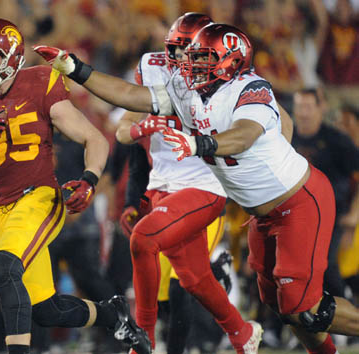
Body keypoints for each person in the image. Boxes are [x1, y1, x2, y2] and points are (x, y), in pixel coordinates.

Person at [34, 21, 359, 354]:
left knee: (301, 305)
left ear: (231, 61)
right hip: (261, 214)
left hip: (298, 202)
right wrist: (76, 69)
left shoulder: (251, 88)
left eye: (202, 58)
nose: (190, 65)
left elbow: (243, 135)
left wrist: (198, 144)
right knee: (279, 303)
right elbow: (132, 95)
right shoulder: (188, 87)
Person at [0, 18, 151, 354]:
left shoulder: (40, 81)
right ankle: (113, 314)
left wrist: (90, 178)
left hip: (39, 198)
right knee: (45, 310)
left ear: (11, 57)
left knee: (4, 269)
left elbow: (93, 138)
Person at [98, 13, 259, 353]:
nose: (182, 59)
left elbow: (252, 129)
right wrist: (143, 128)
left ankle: (143, 338)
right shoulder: (152, 66)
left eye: (192, 51)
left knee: (143, 240)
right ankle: (242, 333)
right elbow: (123, 129)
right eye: (177, 50)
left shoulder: (231, 77)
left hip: (205, 184)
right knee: (195, 278)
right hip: (162, 185)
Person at [292, 88, 359, 299]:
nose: (304, 113)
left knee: (325, 267)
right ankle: (279, 326)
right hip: (294, 214)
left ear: (321, 109)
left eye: (309, 107)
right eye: (300, 106)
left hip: (331, 214)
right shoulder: (285, 136)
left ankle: (346, 315)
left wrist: (355, 213)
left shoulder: (337, 140)